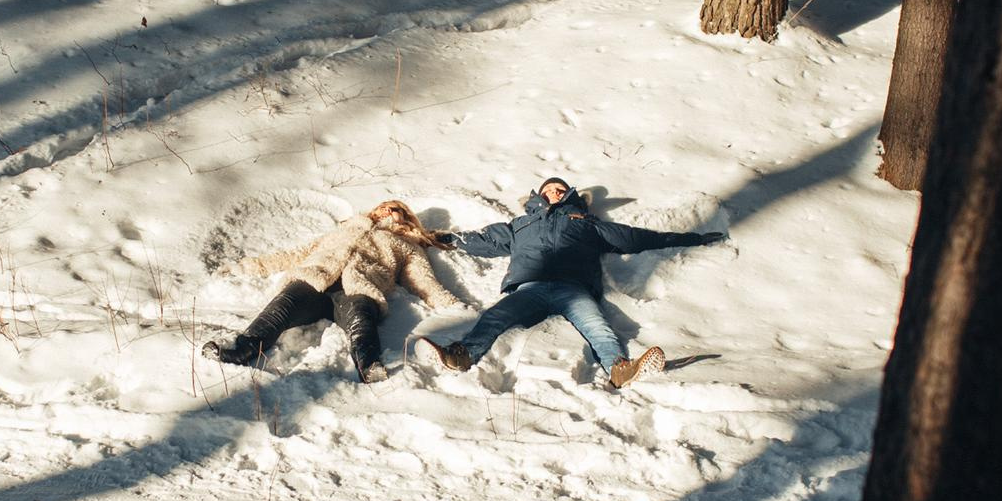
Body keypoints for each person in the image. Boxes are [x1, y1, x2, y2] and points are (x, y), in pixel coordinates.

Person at [426, 177, 725, 388]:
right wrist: (445, 239)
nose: (555, 192)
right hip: (530, 286)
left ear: (570, 194)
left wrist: (692, 237)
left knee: (599, 328)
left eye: (560, 189)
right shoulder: (520, 225)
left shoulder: (587, 223)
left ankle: (620, 371)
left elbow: (636, 237)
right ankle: (460, 356)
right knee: (494, 316)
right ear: (538, 196)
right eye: (549, 189)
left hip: (574, 289)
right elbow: (484, 240)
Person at [204, 200, 463, 383]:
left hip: (358, 287)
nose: (385, 209)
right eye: (382, 206)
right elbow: (294, 255)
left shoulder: (405, 245)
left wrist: (453, 306)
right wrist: (244, 267)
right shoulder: (345, 229)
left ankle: (369, 365)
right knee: (280, 308)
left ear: (405, 218)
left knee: (361, 322)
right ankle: (243, 349)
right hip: (315, 281)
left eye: (394, 208)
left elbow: (424, 281)